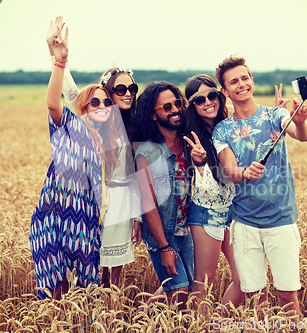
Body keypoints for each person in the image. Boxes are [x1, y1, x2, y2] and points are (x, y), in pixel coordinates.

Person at [46, 16, 142, 289]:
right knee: (81, 268)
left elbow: (133, 175)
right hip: (86, 204)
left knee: (112, 278)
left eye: (131, 89)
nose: (127, 93)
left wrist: (136, 217)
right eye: (120, 89)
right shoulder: (89, 114)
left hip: (120, 205)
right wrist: (55, 54)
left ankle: (109, 313)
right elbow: (64, 92)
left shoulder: (136, 122)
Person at [212, 55, 307, 318]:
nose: (241, 84)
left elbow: (302, 136)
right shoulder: (222, 130)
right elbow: (230, 170)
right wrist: (244, 172)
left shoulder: (276, 115)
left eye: (245, 78)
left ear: (252, 81)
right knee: (256, 297)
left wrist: (299, 121)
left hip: (281, 218)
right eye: (234, 81)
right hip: (244, 224)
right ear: (225, 90)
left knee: (287, 295)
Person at [30, 23, 105, 300]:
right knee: (54, 294)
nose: (102, 107)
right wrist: (59, 59)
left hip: (85, 222)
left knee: (88, 295)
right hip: (50, 217)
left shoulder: (112, 143)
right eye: (95, 103)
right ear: (83, 107)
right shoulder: (71, 126)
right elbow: (52, 102)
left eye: (106, 103)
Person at [182, 74, 245, 312]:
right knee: (203, 284)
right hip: (206, 213)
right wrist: (199, 164)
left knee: (245, 280)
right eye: (200, 99)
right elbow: (206, 190)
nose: (208, 102)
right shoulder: (190, 134)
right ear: (192, 105)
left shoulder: (229, 125)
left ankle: (217, 323)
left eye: (212, 95)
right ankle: (201, 327)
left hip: (232, 213)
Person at [132, 81, 194, 307]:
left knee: (190, 288)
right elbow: (148, 205)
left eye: (177, 103)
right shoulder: (146, 154)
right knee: (179, 293)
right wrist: (164, 246)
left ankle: (136, 318)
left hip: (186, 229)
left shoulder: (189, 142)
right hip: (163, 232)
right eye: (166, 107)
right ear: (153, 116)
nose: (175, 109)